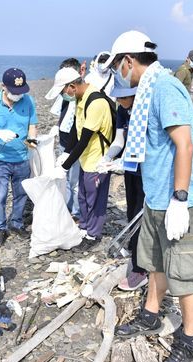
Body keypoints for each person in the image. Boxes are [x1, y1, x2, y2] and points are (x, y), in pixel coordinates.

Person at [106, 31, 193, 362]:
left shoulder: (164, 88)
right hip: (156, 198)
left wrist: (180, 199)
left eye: (118, 68)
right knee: (155, 262)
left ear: (127, 62)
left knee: (185, 274)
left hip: (180, 201)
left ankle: (188, 340)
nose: (120, 76)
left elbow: (185, 144)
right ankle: (150, 316)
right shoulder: (149, 89)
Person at [47, 66, 114, 251]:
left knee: (95, 199)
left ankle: (93, 235)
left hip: (98, 160)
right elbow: (77, 132)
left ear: (71, 87)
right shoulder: (80, 99)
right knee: (83, 196)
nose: (63, 95)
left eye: (62, 91)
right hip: (86, 158)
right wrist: (66, 153)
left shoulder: (95, 102)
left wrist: (65, 166)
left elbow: (85, 139)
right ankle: (84, 228)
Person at [0, 68, 38, 247]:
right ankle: (0, 228)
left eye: (21, 92)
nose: (18, 95)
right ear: (3, 87)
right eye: (14, 92)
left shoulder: (28, 100)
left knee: (21, 195)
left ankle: (16, 223)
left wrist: (32, 141)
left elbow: (32, 125)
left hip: (22, 158)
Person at [101, 84, 149, 291]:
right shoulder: (122, 110)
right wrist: (109, 156)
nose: (119, 102)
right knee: (132, 211)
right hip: (130, 169)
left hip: (148, 172)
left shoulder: (146, 109)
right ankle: (134, 249)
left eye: (123, 98)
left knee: (143, 217)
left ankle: (141, 269)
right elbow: (120, 139)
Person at [49, 58, 83, 222]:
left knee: (74, 179)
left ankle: (76, 212)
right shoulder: (65, 95)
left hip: (76, 143)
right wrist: (57, 127)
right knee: (65, 178)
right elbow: (61, 114)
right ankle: (68, 208)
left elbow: (81, 127)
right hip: (64, 140)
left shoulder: (82, 96)